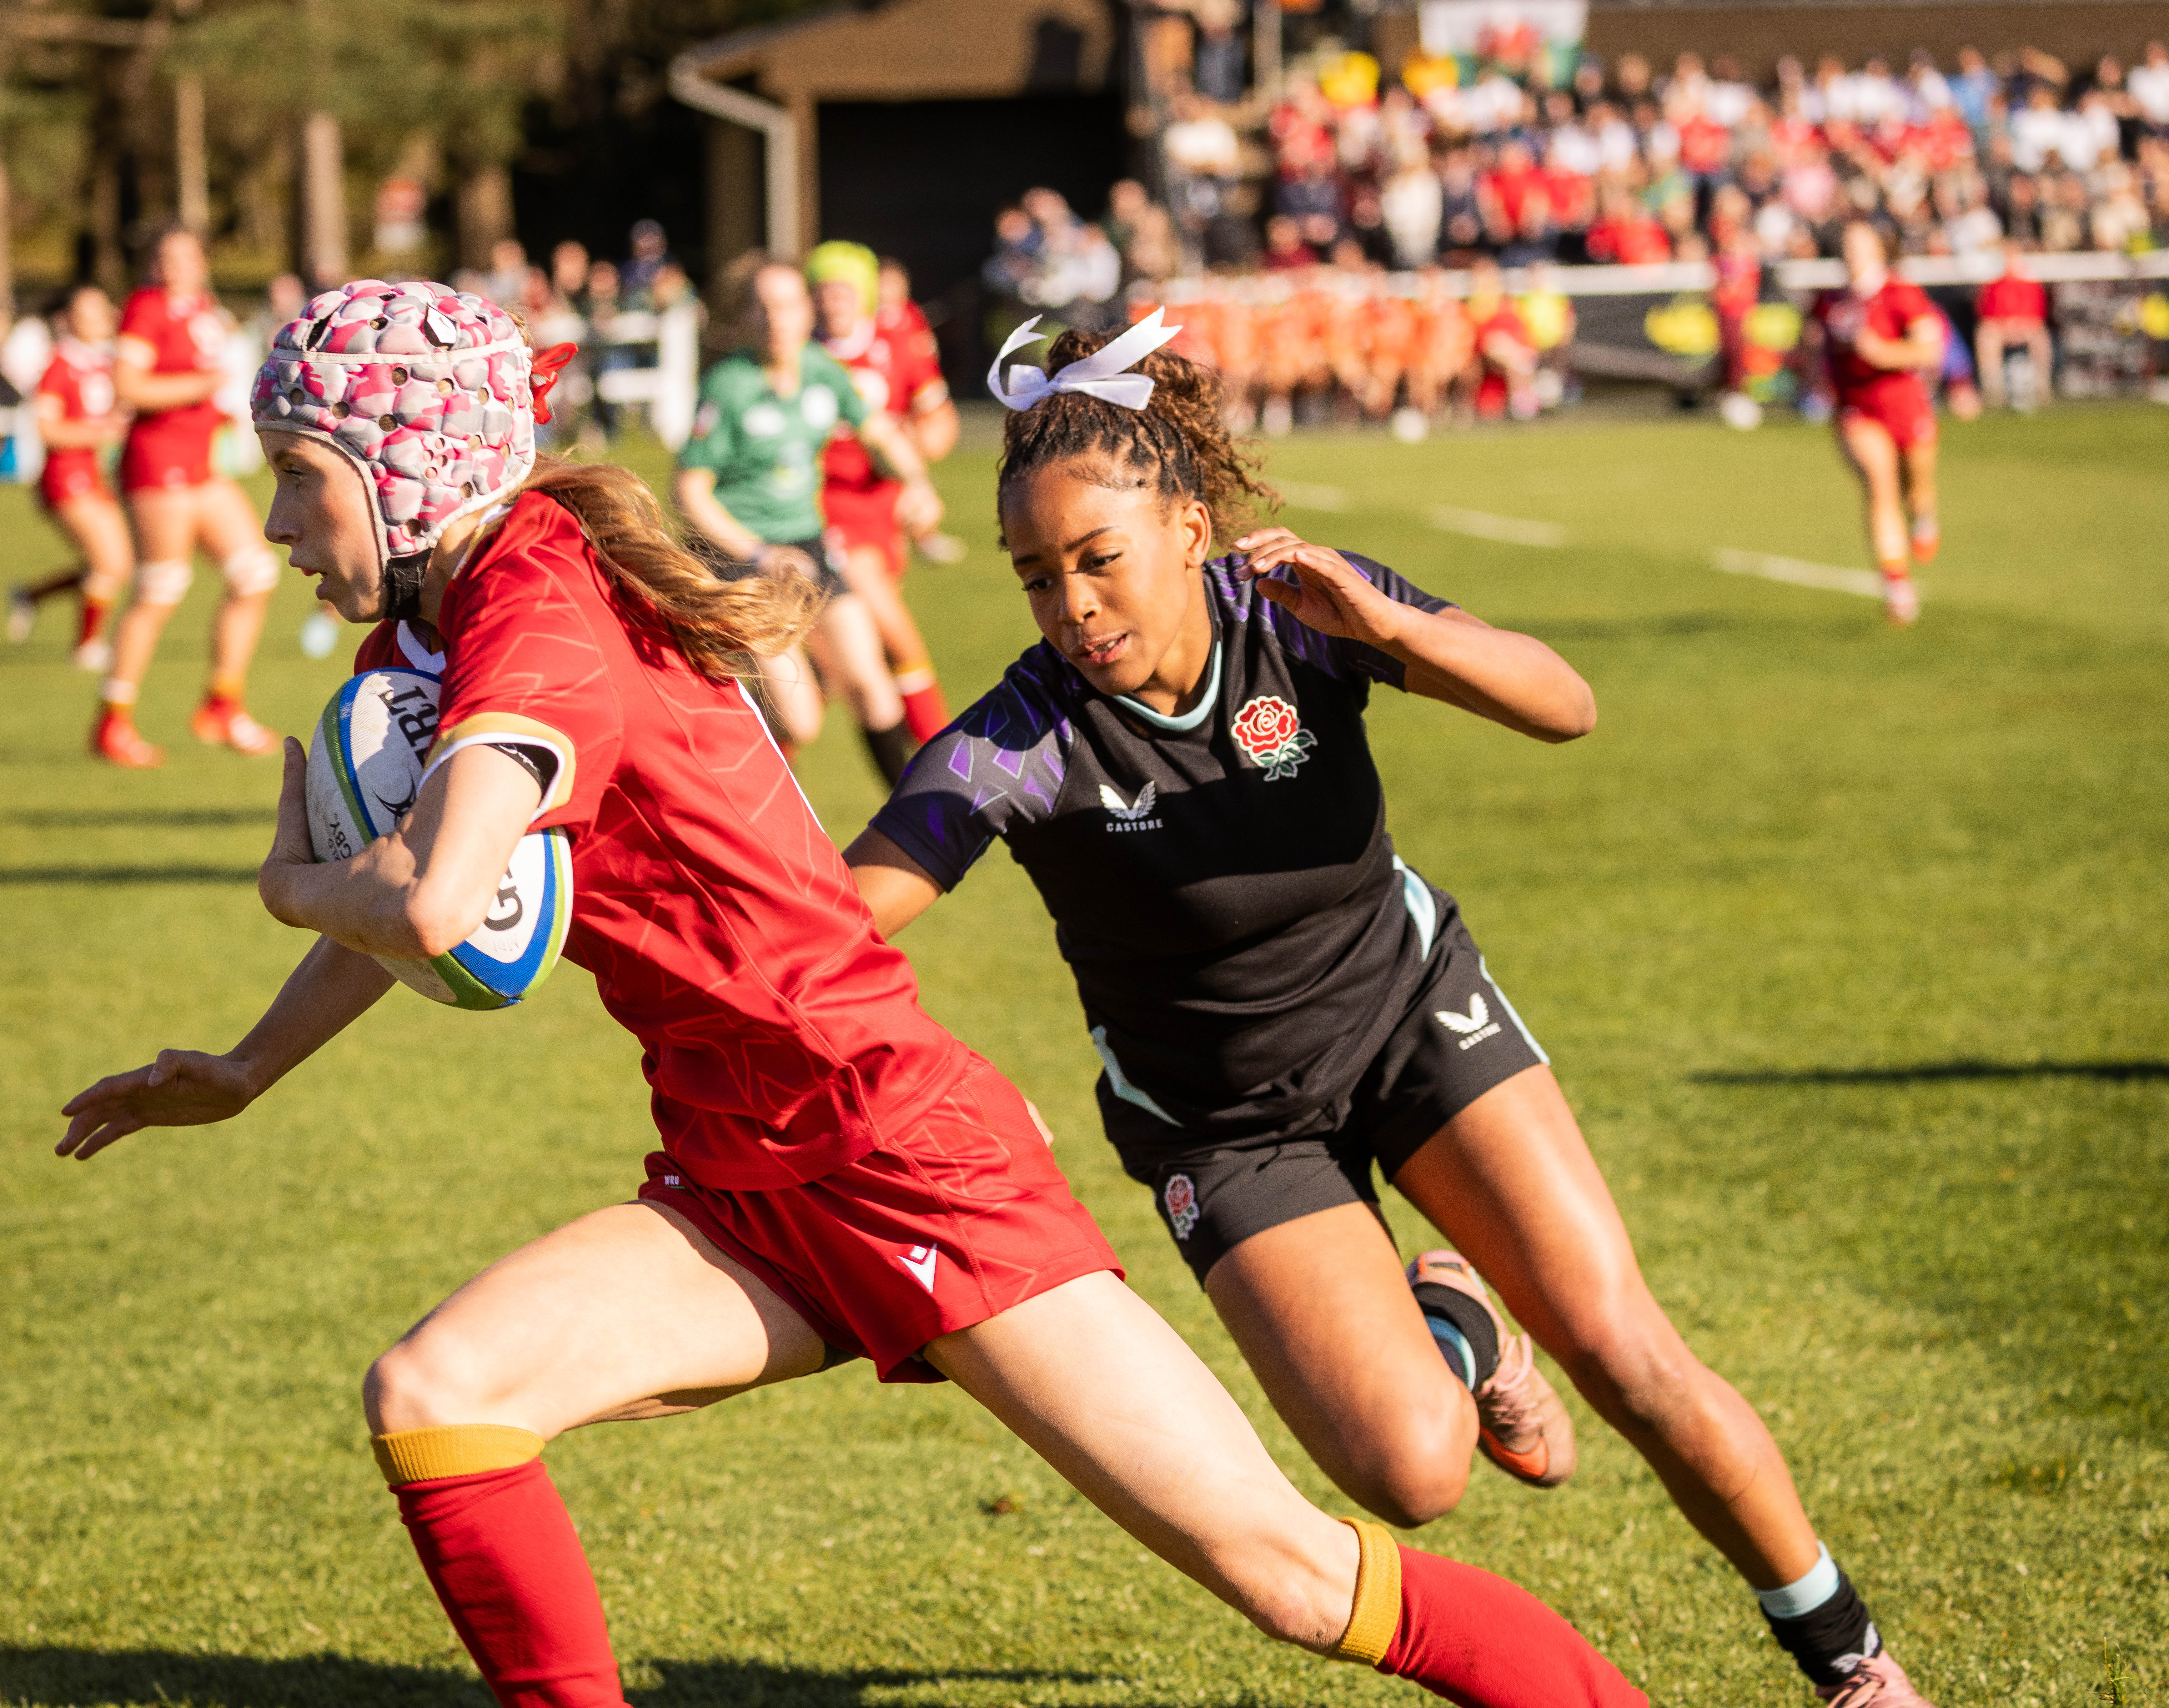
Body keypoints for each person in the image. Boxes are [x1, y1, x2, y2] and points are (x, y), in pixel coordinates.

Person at [57, 276, 1646, 1708]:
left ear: (403, 474)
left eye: (296, 478)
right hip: (743, 1159)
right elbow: (421, 906)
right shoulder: (442, 636)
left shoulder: (533, 612)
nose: (272, 526)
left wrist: (284, 882)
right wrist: (249, 1067)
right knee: (436, 1391)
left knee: (1291, 1576)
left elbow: (437, 903)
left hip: (895, 1146)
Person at [846, 316, 1941, 1708]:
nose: (1070, 608)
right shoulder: (1025, 732)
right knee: (1413, 1471)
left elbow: (1565, 706)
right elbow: (849, 904)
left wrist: (1385, 625)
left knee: (1623, 1350)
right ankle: (1458, 1317)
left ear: (1188, 529)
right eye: (1036, 578)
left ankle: (1848, 1660)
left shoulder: (1293, 611)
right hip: (1225, 1124)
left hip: (1410, 1013)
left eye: (1095, 559)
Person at [675, 258, 935, 782]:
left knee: (871, 684)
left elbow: (879, 433)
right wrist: (758, 553)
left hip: (808, 548)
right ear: (747, 316)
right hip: (739, 559)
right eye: (763, 307)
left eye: (788, 305)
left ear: (805, 310)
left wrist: (917, 483)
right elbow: (689, 491)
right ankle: (716, 771)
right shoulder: (728, 386)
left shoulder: (821, 370)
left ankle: (920, 823)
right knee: (803, 719)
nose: (777, 319)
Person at [94, 224, 282, 766]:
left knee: (254, 574)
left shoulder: (200, 305)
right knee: (161, 587)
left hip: (199, 463)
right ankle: (113, 722)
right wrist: (197, 389)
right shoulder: (147, 308)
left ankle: (222, 705)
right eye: (164, 256)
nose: (174, 265)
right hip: (158, 465)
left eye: (185, 255)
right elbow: (128, 387)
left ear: (202, 259)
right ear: (152, 263)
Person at [808, 241, 958, 745]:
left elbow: (940, 422)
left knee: (833, 660)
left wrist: (913, 468)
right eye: (822, 290)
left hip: (883, 510)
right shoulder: (800, 352)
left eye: (843, 290)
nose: (832, 301)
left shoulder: (895, 341)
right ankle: (944, 755)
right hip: (821, 506)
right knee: (890, 632)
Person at [1806, 220, 1944, 626]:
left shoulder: (1900, 293)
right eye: (1846, 246)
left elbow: (1929, 350)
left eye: (1859, 246)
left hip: (1904, 404)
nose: (1850, 255)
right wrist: (1815, 376)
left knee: (1916, 489)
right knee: (1878, 480)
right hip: (1856, 408)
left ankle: (1924, 517)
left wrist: (1885, 353)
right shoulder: (1831, 300)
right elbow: (1812, 342)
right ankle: (1897, 587)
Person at [6, 284, 134, 671]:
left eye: (103, 309)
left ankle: (31, 596)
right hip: (65, 478)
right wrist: (101, 433)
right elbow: (47, 428)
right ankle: (87, 646)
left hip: (93, 476)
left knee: (113, 564)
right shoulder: (59, 365)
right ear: (68, 320)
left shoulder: (102, 363)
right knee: (110, 562)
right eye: (90, 311)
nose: (103, 318)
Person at [1974, 239, 2052, 411]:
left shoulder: (2030, 282)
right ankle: (1994, 391)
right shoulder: (1992, 283)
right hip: (2000, 328)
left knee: (2041, 337)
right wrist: (2005, 325)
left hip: (2026, 327)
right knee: (1986, 335)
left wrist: (2021, 324)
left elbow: (2039, 312)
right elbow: (1984, 311)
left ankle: (2042, 387)